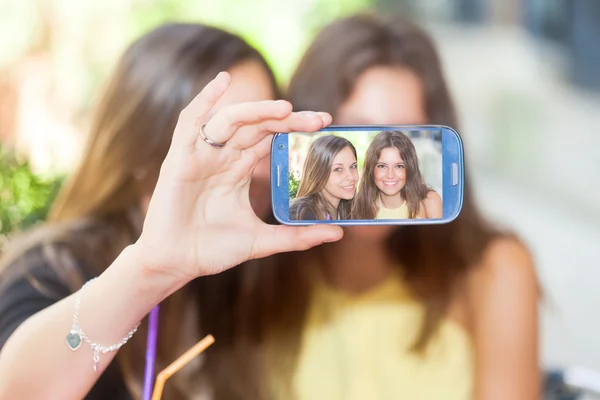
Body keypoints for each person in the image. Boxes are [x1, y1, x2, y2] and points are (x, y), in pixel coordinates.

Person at [0, 23, 340, 400]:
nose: (257, 167)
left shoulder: (239, 278)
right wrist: (151, 270)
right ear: (142, 153)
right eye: (227, 138)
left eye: (267, 137)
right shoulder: (49, 270)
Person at [284, 14, 540, 400]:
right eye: (358, 134)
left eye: (402, 142)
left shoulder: (494, 268)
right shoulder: (263, 269)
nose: (384, 171)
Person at [353, 130, 442, 220]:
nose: (390, 175)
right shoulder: (357, 209)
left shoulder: (430, 201)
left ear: (410, 168)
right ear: (371, 169)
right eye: (382, 166)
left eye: (399, 166)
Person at [289, 135, 358, 220]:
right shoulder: (301, 214)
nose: (351, 177)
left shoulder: (347, 209)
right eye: (338, 169)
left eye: (353, 166)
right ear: (319, 172)